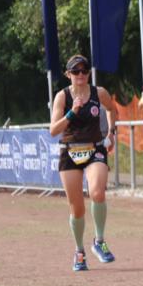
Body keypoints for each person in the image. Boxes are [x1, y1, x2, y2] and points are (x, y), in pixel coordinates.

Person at [49, 55, 118, 271]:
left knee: (97, 192)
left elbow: (111, 108)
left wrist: (111, 131)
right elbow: (53, 130)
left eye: (84, 70)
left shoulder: (100, 93)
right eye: (75, 71)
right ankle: (79, 251)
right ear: (68, 74)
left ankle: (99, 241)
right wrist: (72, 111)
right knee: (77, 209)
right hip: (69, 152)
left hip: (95, 148)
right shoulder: (62, 97)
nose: (81, 75)